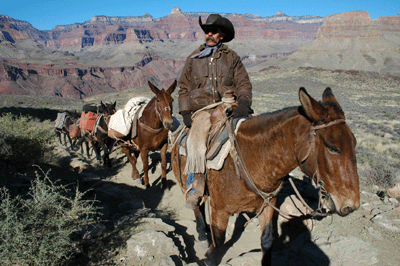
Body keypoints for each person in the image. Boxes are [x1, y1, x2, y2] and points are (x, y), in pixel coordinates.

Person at [178, 13, 253, 208]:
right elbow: (184, 88)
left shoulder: (231, 58)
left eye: (213, 31)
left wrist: (244, 103)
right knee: (195, 140)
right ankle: (195, 187)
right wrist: (185, 112)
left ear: (222, 35)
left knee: (255, 132)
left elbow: (243, 83)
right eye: (207, 31)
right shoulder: (193, 59)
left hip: (229, 105)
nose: (209, 34)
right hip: (202, 109)